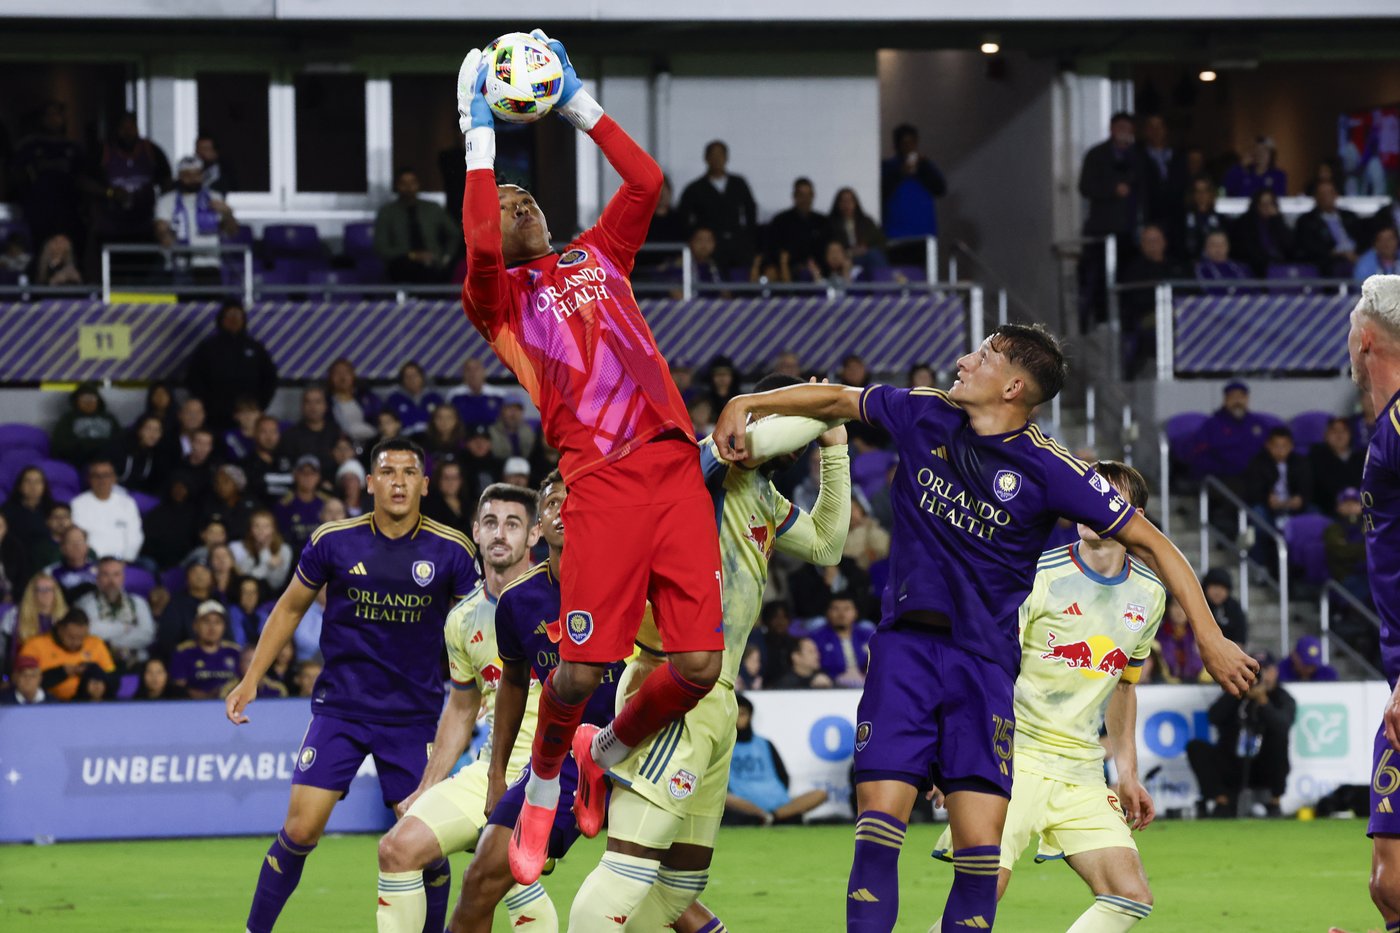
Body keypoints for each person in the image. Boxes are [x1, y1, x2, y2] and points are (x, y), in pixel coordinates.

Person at [712, 322, 1254, 932]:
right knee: (877, 833)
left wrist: (1209, 635)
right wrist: (746, 402)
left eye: (984, 354)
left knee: (980, 862)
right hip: (905, 653)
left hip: (984, 671)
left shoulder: (1051, 469)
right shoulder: (925, 414)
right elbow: (837, 398)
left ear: (1013, 387)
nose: (965, 360)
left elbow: (1155, 543)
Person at [456, 33, 726, 884]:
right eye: (505, 201)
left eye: (526, 196)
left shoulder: (599, 253)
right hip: (600, 481)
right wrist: (478, 138)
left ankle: (600, 752)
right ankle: (544, 784)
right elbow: (478, 244)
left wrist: (578, 103)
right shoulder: (498, 301)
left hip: (674, 465)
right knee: (576, 669)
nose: (519, 204)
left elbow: (646, 181)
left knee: (699, 665)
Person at [568, 381, 850, 931]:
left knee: (678, 889)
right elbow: (757, 438)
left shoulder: (764, 497)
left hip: (717, 696)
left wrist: (834, 443)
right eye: (800, 421)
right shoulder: (706, 462)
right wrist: (831, 403)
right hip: (673, 681)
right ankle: (592, 756)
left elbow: (826, 545)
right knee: (627, 870)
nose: (799, 445)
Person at [225, 437, 477, 933]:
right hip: (341, 709)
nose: (399, 482)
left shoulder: (452, 550)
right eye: (388, 472)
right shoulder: (333, 540)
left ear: (425, 485)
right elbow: (290, 607)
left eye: (409, 473)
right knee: (299, 830)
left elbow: (480, 623)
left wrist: (486, 690)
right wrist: (251, 678)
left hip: (413, 718)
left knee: (425, 846)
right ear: (370, 483)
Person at [929, 461, 1163, 932]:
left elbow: (1124, 686)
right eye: (1084, 494)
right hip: (1011, 757)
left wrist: (1128, 773)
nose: (1088, 506)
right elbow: (984, 668)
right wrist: (956, 752)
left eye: (1105, 497)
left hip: (1081, 770)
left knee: (1130, 896)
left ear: (1134, 516)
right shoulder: (1038, 575)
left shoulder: (1150, 593)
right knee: (981, 897)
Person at [446, 471, 625, 933]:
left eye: (574, 500)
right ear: (539, 525)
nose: (563, 510)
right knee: (479, 881)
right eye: (552, 504)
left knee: (664, 898)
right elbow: (512, 685)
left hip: (638, 753)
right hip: (562, 763)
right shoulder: (517, 601)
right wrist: (496, 776)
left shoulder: (627, 583)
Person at [374, 483, 543, 933]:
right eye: (490, 523)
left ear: (534, 534)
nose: (500, 533)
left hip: (557, 771)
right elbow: (462, 708)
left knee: (649, 888)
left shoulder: (564, 598)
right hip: (494, 772)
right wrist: (426, 787)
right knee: (396, 850)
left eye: (513, 524)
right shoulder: (462, 619)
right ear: (475, 532)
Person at [1186, 653, 1295, 818]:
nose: (1259, 676)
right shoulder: (1234, 692)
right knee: (1196, 747)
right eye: (1254, 671)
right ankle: (1222, 802)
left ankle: (1275, 802)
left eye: (1265, 670)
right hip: (1232, 761)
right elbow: (1213, 717)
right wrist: (1238, 692)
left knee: (1280, 740)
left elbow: (1283, 725)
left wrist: (1263, 701)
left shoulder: (1282, 697)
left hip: (1263, 765)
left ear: (1275, 671)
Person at [724, 694, 829, 825]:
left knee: (820, 794)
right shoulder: (723, 745)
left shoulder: (765, 744)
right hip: (744, 803)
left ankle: (770, 817)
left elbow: (782, 776)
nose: (738, 718)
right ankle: (768, 817)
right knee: (723, 797)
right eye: (734, 713)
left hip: (779, 803)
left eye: (742, 714)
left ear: (750, 716)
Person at [185, 299, 279, 431]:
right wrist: (208, 406)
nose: (234, 319)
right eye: (230, 315)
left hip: (248, 418)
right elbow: (194, 379)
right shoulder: (208, 348)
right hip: (215, 419)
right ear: (221, 319)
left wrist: (258, 406)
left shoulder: (255, 347)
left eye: (238, 316)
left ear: (244, 319)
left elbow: (270, 378)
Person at [95, 112, 172, 260]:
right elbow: (84, 181)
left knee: (143, 267)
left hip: (145, 227)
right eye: (124, 128)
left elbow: (166, 181)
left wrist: (163, 209)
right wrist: (110, 193)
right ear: (117, 130)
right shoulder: (103, 151)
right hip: (112, 228)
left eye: (131, 127)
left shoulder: (151, 150)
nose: (128, 132)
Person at [155, 155, 239, 286]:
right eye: (188, 175)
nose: (193, 179)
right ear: (179, 176)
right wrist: (166, 236)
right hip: (181, 266)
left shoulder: (215, 197)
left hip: (211, 265)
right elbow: (161, 232)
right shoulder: (167, 201)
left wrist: (228, 213)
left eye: (197, 174)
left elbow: (232, 232)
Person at [678, 139, 759, 271]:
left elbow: (750, 211)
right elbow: (683, 217)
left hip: (737, 243)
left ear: (726, 158)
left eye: (720, 155)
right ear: (706, 158)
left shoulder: (739, 184)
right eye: (713, 155)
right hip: (709, 247)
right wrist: (698, 239)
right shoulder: (695, 188)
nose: (717, 159)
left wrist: (747, 237)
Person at [375, 166, 459, 284]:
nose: (409, 187)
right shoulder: (387, 212)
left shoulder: (432, 208)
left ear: (418, 184)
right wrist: (412, 255)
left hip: (433, 264)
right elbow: (381, 247)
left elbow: (454, 233)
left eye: (412, 182)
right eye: (403, 183)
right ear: (397, 185)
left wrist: (446, 257)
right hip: (401, 266)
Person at [1187, 381, 1274, 492]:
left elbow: (1273, 450)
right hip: (1224, 478)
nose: (1237, 401)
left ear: (1247, 399)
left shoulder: (1258, 424)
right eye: (1232, 397)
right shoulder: (1212, 425)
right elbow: (1199, 456)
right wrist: (1225, 469)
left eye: (1241, 397)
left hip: (1257, 477)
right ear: (1225, 400)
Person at [74, 557, 155, 669]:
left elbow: (147, 635)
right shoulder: (86, 603)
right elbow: (90, 631)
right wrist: (125, 628)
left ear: (123, 578)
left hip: (137, 663)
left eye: (116, 575)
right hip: (97, 664)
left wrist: (109, 641)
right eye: (105, 575)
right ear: (97, 578)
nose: (111, 581)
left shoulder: (138, 602)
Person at [18, 608, 115, 702]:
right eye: (71, 637)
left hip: (86, 704)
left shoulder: (96, 644)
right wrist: (62, 672)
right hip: (46, 703)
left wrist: (90, 670)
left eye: (81, 638)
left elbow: (113, 680)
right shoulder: (35, 645)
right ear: (60, 629)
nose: (76, 642)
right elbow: (24, 683)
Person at [880, 123, 948, 246]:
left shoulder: (925, 166)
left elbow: (940, 189)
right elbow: (882, 192)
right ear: (896, 146)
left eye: (913, 143)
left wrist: (925, 166)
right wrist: (901, 173)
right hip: (895, 233)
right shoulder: (887, 167)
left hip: (925, 233)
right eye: (905, 143)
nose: (909, 147)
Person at [71, 458, 145, 563]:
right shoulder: (77, 504)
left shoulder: (127, 503)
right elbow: (79, 538)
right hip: (91, 561)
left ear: (114, 478)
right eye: (96, 476)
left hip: (124, 561)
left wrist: (127, 559)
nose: (101, 480)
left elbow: (135, 536)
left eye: (106, 475)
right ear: (89, 479)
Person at [170, 600, 243, 699]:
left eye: (217, 622)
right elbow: (178, 690)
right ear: (195, 625)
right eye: (206, 621)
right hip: (193, 705)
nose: (212, 628)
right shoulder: (184, 653)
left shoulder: (234, 652)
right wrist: (211, 696)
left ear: (224, 627)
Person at [1244, 426, 1313, 528]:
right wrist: (1267, 498)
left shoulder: (1301, 462)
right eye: (1276, 446)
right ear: (1268, 445)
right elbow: (1253, 490)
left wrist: (1301, 498)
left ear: (1291, 446)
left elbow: (1307, 486)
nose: (1280, 450)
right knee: (1258, 512)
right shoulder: (1258, 463)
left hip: (1294, 508)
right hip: (1268, 508)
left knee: (1313, 511)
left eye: (1284, 446)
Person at [0, 572, 67, 672]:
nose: (45, 594)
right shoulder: (14, 615)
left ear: (56, 592)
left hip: (56, 670)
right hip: (24, 672)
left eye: (49, 589)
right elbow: (4, 651)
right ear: (32, 593)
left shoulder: (66, 617)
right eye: (40, 590)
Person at [1296, 179, 1364, 277]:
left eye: (1330, 193)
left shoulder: (1349, 216)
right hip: (1331, 262)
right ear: (1316, 197)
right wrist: (1338, 253)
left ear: (1336, 195)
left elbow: (1363, 239)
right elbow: (1309, 247)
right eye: (1322, 194)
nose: (1326, 197)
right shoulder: (1307, 221)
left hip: (1357, 257)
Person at [766, 177, 830, 281]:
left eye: (808, 195)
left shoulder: (822, 222)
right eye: (801, 195)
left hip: (818, 270)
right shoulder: (781, 221)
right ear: (794, 196)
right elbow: (772, 248)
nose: (805, 200)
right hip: (786, 270)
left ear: (813, 196)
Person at [805, 592, 874, 687]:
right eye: (836, 609)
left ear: (855, 612)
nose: (841, 614)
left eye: (847, 609)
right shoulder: (816, 638)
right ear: (827, 613)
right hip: (832, 688)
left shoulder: (869, 636)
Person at [51, 382, 122, 466]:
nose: (88, 402)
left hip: (109, 462)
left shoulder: (109, 418)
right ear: (77, 401)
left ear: (98, 400)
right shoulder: (67, 419)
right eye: (84, 399)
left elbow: (120, 441)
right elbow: (61, 445)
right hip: (78, 462)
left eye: (92, 398)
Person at [1232, 189, 1295, 276]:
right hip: (1255, 268)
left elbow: (1289, 246)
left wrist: (1276, 220)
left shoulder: (1278, 222)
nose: (1267, 208)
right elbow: (1246, 250)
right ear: (1256, 205)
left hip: (1280, 267)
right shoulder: (1245, 223)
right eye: (1263, 204)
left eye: (1270, 204)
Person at [1138, 113, 1186, 226]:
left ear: (1166, 130)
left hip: (1176, 217)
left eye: (1159, 126)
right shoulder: (1137, 157)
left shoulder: (1178, 156)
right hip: (1148, 217)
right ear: (1145, 131)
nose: (1156, 131)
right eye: (1151, 127)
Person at [282, 386, 341, 477]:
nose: (313, 407)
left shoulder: (336, 432)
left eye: (317, 402)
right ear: (302, 406)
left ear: (325, 406)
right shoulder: (290, 436)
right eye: (308, 402)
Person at [276, 457, 332, 553]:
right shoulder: (284, 505)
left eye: (312, 473)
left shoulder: (327, 503)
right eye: (304, 473)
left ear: (318, 477)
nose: (308, 477)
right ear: (295, 475)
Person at [231, 508, 294, 593]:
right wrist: (268, 563)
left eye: (266, 526)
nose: (261, 530)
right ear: (250, 529)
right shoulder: (242, 548)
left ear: (273, 529)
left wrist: (265, 552)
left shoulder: (284, 550)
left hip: (274, 595)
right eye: (256, 526)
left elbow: (276, 584)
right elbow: (246, 579)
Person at [1311, 417, 1366, 514]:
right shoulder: (1316, 459)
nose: (1339, 435)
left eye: (1343, 431)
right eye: (1334, 431)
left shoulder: (1363, 457)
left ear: (1350, 434)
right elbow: (1317, 491)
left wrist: (1361, 504)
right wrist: (1336, 506)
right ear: (1326, 435)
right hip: (1328, 511)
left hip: (1362, 508)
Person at [1326, 487, 1370, 602]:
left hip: (1368, 574)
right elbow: (1339, 553)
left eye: (1354, 503)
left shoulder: (1370, 526)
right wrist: (1364, 547)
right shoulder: (1332, 528)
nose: (1350, 507)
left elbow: (1377, 551)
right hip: (1344, 577)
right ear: (1338, 507)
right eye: (1346, 503)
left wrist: (1349, 547)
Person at [828, 187, 888, 271]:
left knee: (874, 254)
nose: (847, 205)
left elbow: (881, 242)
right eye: (843, 201)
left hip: (864, 256)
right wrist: (849, 252)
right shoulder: (830, 224)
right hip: (844, 258)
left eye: (850, 201)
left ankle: (883, 278)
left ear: (855, 203)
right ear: (838, 204)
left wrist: (865, 247)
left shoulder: (866, 221)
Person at [110, 414, 169, 495]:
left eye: (157, 430)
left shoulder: (158, 454)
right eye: (148, 429)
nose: (153, 434)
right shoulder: (120, 447)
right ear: (139, 430)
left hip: (136, 494)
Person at [326, 358, 381, 445]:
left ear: (353, 375)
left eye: (346, 372)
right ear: (330, 377)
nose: (342, 377)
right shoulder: (325, 402)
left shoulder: (368, 398)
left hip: (371, 443)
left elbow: (380, 421)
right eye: (337, 373)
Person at [243, 416, 295, 504]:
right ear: (255, 434)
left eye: (273, 432)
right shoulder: (246, 464)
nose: (269, 437)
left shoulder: (289, 461)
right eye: (264, 432)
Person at [446, 357, 508, 429]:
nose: (473, 373)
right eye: (468, 370)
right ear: (463, 374)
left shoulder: (499, 394)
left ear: (484, 371)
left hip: (493, 433)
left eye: (476, 369)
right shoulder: (454, 394)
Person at [384, 361, 444, 437]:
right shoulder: (393, 400)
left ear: (422, 377)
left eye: (415, 376)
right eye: (407, 377)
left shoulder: (435, 398)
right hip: (403, 439)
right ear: (402, 380)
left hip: (432, 438)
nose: (412, 380)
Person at [1177, 176, 1226, 265]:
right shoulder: (1181, 219)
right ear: (1192, 194)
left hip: (1216, 265)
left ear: (1211, 193)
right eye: (1198, 191)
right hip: (1189, 266)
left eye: (1205, 191)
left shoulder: (1221, 219)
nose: (1202, 195)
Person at [45, 525, 97, 604]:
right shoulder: (50, 573)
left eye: (80, 541)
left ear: (87, 546)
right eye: (71, 542)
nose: (76, 546)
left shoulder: (101, 571)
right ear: (62, 548)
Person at [1223, 136, 1288, 199]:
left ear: (1271, 155)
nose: (1260, 154)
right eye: (1257, 150)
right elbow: (1227, 189)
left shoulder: (1278, 175)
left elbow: (1280, 198)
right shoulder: (1243, 172)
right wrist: (1241, 166)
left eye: (1264, 151)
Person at [420, 460, 472, 536]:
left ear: (461, 480)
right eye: (446, 478)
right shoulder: (429, 507)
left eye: (455, 478)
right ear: (439, 480)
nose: (450, 482)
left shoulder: (468, 504)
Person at [1203, 568, 1248, 646]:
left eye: (1223, 588)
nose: (1218, 592)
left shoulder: (1234, 608)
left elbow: (1240, 640)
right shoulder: (1199, 605)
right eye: (1215, 586)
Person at [489, 397, 537, 461]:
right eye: (509, 408)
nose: (513, 413)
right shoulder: (492, 431)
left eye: (517, 409)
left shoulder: (528, 430)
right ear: (502, 411)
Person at [196, 131, 237, 196]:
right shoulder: (191, 171)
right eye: (199, 149)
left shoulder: (225, 171)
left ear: (215, 152)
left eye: (206, 149)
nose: (201, 153)